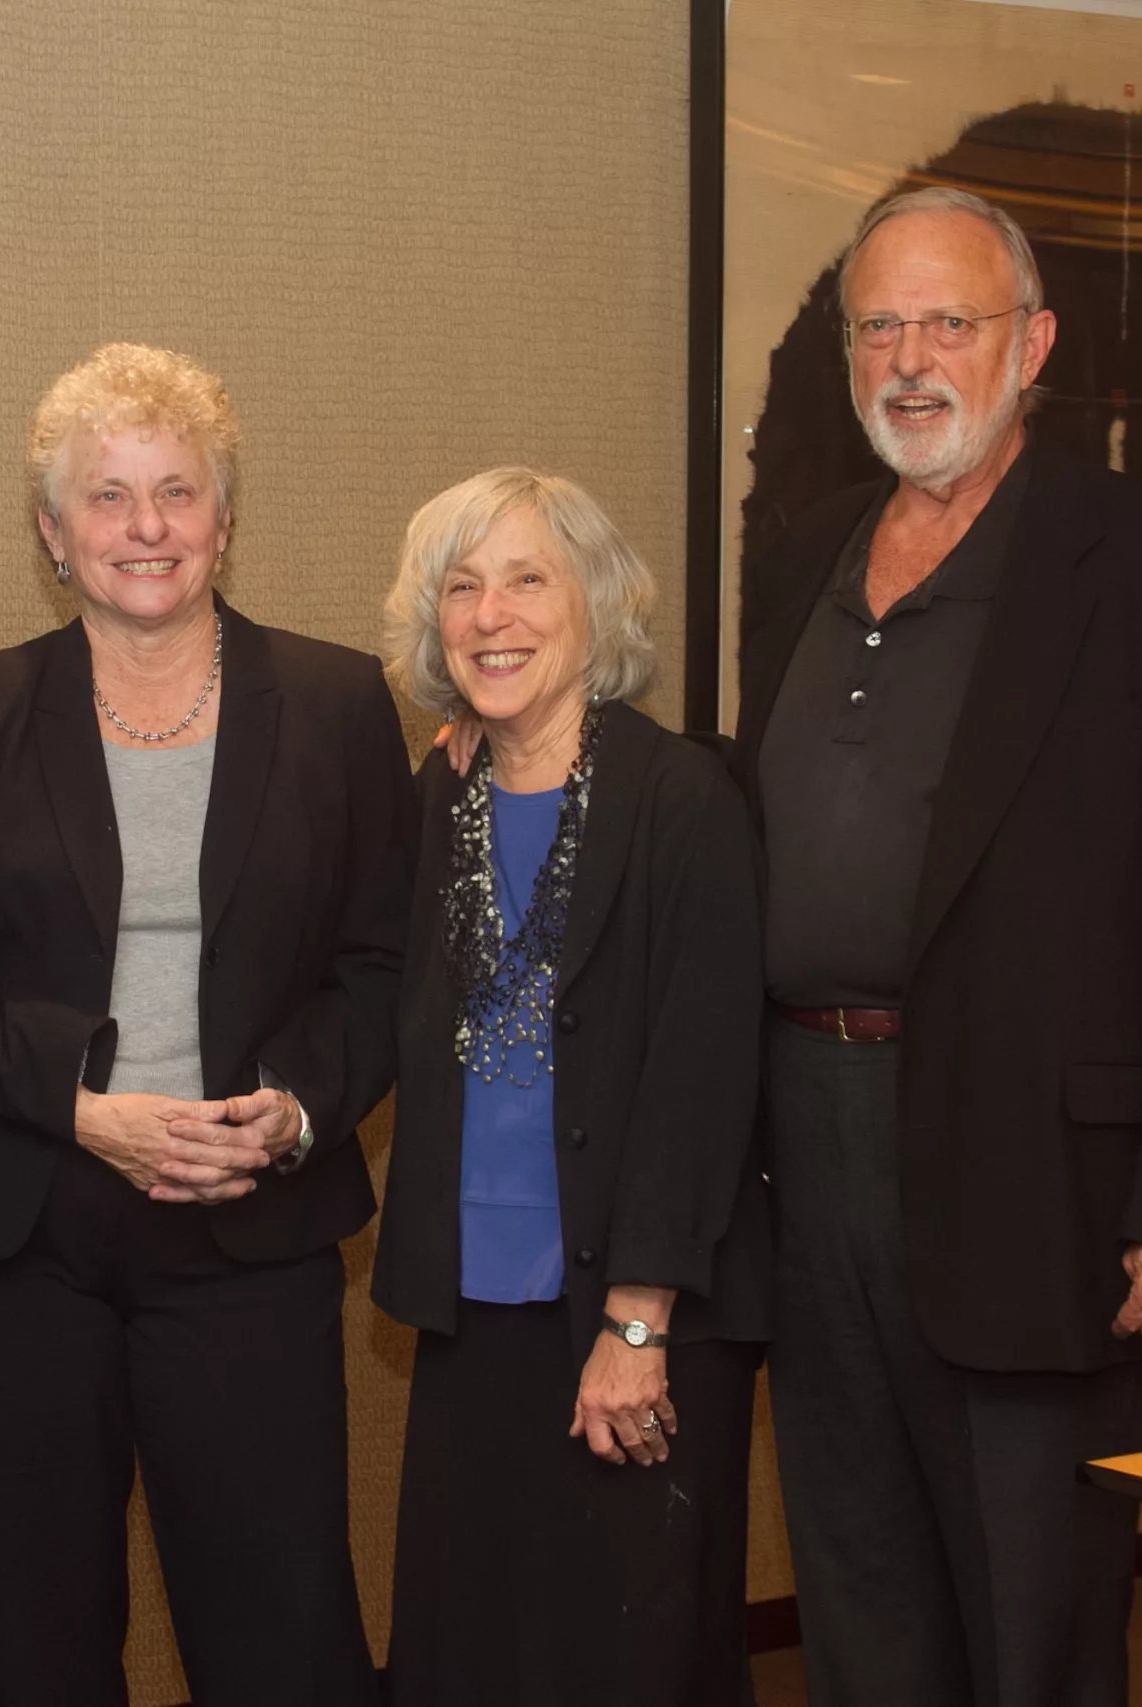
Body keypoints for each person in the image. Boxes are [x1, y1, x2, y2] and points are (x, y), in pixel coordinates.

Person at [734, 185, 1142, 1707]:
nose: (910, 359)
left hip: (1045, 1183)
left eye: (950, 322)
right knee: (860, 1597)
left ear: (1031, 342)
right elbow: (722, 821)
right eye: (879, 325)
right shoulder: (800, 559)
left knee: (1031, 1626)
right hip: (811, 1155)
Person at [0, 342, 413, 1707]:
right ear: (54, 534)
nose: (147, 527)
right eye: (107, 498)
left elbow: (385, 962)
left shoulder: (340, 703)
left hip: (246, 1225)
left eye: (177, 491)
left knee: (281, 1619)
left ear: (225, 519)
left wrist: (293, 1107)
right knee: (27, 1632)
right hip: (13, 1231)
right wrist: (81, 1107)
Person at [370, 468, 768, 1705]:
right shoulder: (441, 794)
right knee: (474, 1638)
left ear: (593, 605)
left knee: (627, 1649)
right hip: (470, 1297)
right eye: (462, 587)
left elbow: (704, 1077)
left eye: (527, 580)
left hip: (632, 1306)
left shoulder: (680, 800)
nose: (492, 616)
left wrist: (636, 1323)